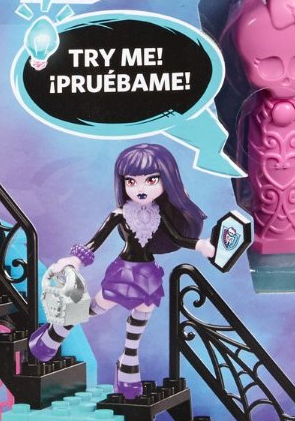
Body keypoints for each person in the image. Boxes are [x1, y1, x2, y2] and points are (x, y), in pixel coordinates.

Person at [29, 143, 214, 399]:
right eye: (131, 181)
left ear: (166, 180)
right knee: (98, 306)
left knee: (143, 313)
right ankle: (55, 332)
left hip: (148, 273)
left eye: (151, 180)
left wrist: (200, 245)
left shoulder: (160, 214)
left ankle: (128, 362)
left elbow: (178, 238)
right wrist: (76, 259)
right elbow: (95, 241)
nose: (140, 188)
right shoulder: (120, 214)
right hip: (125, 270)